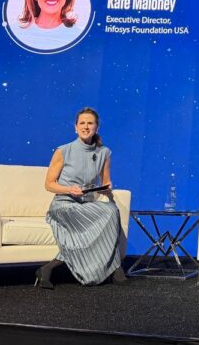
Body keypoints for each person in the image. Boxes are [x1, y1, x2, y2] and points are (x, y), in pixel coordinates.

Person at [36, 107, 126, 289]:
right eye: (82, 123)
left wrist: (107, 189)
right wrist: (69, 190)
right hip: (64, 205)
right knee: (99, 215)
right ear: (75, 128)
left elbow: (106, 181)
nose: (86, 127)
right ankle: (115, 268)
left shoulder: (104, 153)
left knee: (111, 210)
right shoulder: (63, 151)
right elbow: (49, 184)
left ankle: (47, 269)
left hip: (86, 204)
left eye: (90, 123)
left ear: (96, 128)